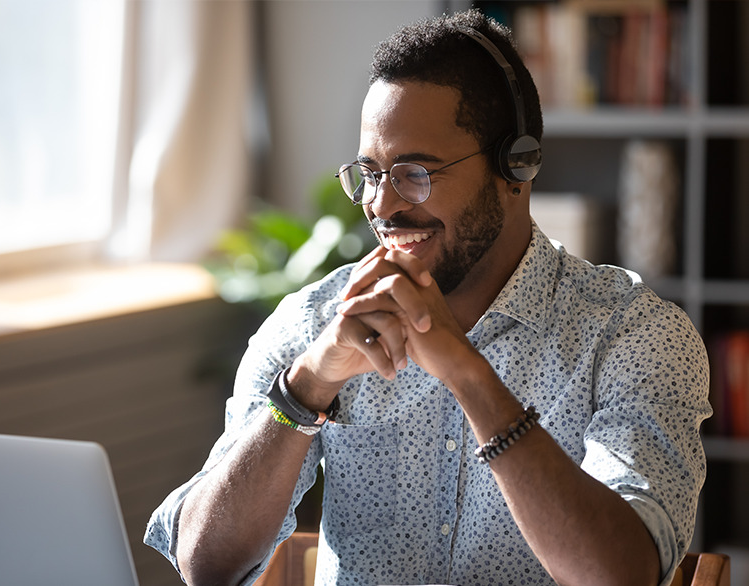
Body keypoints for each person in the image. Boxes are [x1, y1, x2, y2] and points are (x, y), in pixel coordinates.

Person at [145, 9, 711, 586]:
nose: (382, 206)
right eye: (370, 173)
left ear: (517, 167)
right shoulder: (313, 324)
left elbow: (622, 576)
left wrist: (469, 376)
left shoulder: (635, 336)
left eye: (415, 172)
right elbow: (204, 566)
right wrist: (306, 387)